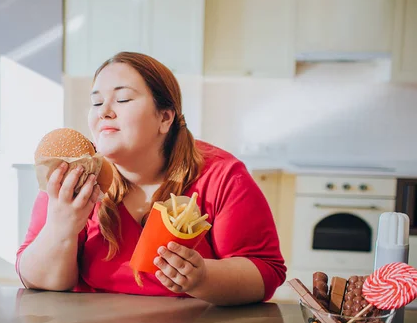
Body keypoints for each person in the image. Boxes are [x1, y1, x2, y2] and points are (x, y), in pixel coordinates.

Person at [16, 51, 286, 306]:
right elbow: (36, 281)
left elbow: (266, 272)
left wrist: (203, 277)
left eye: (122, 100)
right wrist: (60, 229)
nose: (104, 112)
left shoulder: (222, 176)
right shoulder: (74, 176)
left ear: (165, 118)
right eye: (97, 102)